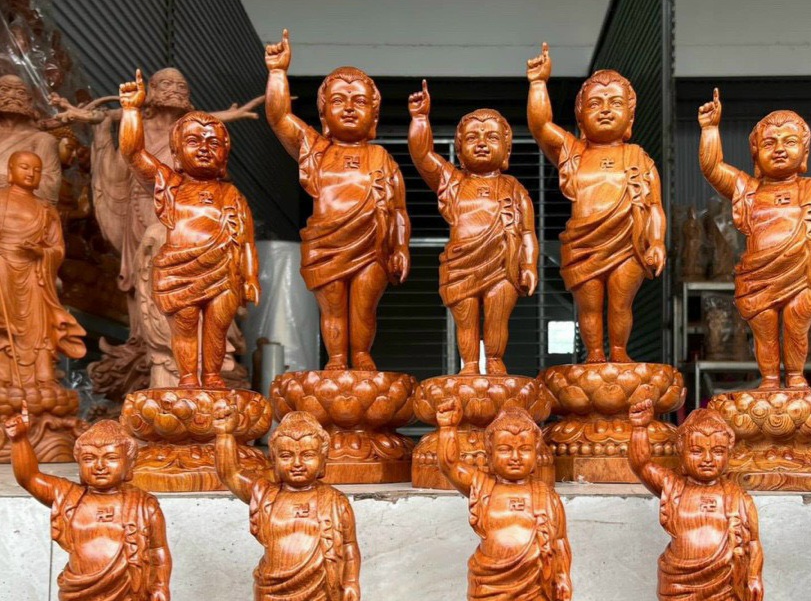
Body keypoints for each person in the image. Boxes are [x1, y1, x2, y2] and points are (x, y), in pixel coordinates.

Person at [4, 413, 171, 601]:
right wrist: (19, 440)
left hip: (130, 588)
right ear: (79, 464)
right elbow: (29, 478)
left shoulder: (144, 504)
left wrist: (160, 586)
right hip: (80, 591)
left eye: (111, 458)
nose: (100, 465)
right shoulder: (69, 496)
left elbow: (158, 550)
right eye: (90, 458)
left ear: (130, 464)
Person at [265, 29, 410, 371]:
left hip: (372, 245)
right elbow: (279, 118)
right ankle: (337, 360)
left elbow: (399, 210)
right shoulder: (316, 150)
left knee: (363, 306)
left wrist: (401, 247)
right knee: (332, 307)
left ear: (374, 116)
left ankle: (361, 356)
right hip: (327, 244)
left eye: (359, 101)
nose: (348, 108)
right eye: (338, 101)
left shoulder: (382, 158)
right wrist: (277, 73)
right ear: (323, 115)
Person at [118, 69, 259, 389]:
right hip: (179, 269)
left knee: (217, 326)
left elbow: (246, 240)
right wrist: (130, 111)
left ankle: (212, 377)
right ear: (176, 154)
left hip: (224, 272)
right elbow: (133, 154)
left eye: (214, 143)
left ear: (225, 155)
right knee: (184, 324)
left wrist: (250, 277)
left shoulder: (231, 195)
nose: (204, 148)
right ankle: (187, 379)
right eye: (194, 141)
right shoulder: (170, 183)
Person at [527, 43, 665, 363]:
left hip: (628, 243)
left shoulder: (639, 158)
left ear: (630, 117)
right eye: (595, 104)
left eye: (615, 103)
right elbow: (541, 126)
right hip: (584, 245)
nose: (605, 110)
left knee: (620, 303)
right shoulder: (575, 152)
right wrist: (538, 83)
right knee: (589, 306)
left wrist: (657, 241)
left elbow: (654, 206)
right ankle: (594, 356)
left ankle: (619, 353)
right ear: (581, 118)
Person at [699, 88, 811, 389]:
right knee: (764, 330)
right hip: (758, 277)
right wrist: (710, 129)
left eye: (789, 142)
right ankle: (769, 380)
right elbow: (713, 168)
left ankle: (796, 377)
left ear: (804, 153)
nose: (779, 149)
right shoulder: (748, 189)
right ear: (755, 155)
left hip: (803, 274)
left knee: (796, 324)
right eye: (769, 143)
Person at [215, 406, 361, 601]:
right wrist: (224, 434)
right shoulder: (265, 495)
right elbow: (230, 473)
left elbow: (348, 546)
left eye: (307, 455)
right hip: (274, 586)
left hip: (323, 583)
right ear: (273, 459)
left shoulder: (334, 500)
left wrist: (351, 582)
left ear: (323, 460)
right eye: (286, 455)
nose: (296, 464)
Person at [437, 397, 572, 601]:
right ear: (489, 453)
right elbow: (449, 465)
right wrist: (447, 428)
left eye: (524, 449)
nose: (515, 457)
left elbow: (560, 540)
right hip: (490, 577)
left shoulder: (546, 495)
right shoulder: (483, 487)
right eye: (505, 449)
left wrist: (563, 577)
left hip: (536, 574)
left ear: (536, 453)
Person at [629, 402, 763, 601]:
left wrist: (753, 576)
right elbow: (641, 465)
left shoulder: (738, 497)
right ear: (681, 450)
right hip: (680, 577)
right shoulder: (673, 486)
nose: (707, 459)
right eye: (697, 451)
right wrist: (639, 427)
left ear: (729, 453)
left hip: (727, 576)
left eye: (718, 451)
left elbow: (753, 541)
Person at [408, 81, 537, 375]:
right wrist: (420, 119)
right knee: (466, 319)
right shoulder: (454, 182)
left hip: (503, 264)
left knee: (496, 317)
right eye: (472, 137)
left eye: (491, 137)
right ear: (459, 151)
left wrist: (529, 265)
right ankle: (468, 366)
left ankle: (494, 361)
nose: (481, 143)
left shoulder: (514, 188)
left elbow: (528, 232)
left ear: (506, 150)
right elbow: (422, 156)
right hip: (461, 265)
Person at [0, 150, 86, 386]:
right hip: (3, 270)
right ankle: (4, 375)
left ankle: (42, 376)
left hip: (33, 274)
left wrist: (42, 253)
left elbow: (57, 248)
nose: (31, 173)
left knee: (38, 327)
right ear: (10, 171)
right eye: (25, 167)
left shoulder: (47, 210)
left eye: (37, 170)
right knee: (5, 327)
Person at [0, 74, 59, 203]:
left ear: (30, 101)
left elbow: (50, 188)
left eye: (20, 92)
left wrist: (7, 182)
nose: (12, 96)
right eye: (4, 90)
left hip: (15, 209)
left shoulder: (42, 140)